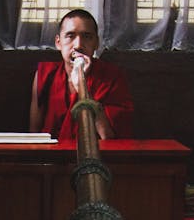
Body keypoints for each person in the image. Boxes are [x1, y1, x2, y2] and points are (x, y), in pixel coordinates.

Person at [29, 10, 134, 141]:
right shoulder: (45, 74)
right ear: (58, 42)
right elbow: (34, 134)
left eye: (87, 37)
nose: (78, 45)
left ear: (96, 43)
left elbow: (108, 136)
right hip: (52, 157)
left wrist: (82, 87)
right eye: (70, 36)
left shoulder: (112, 77)